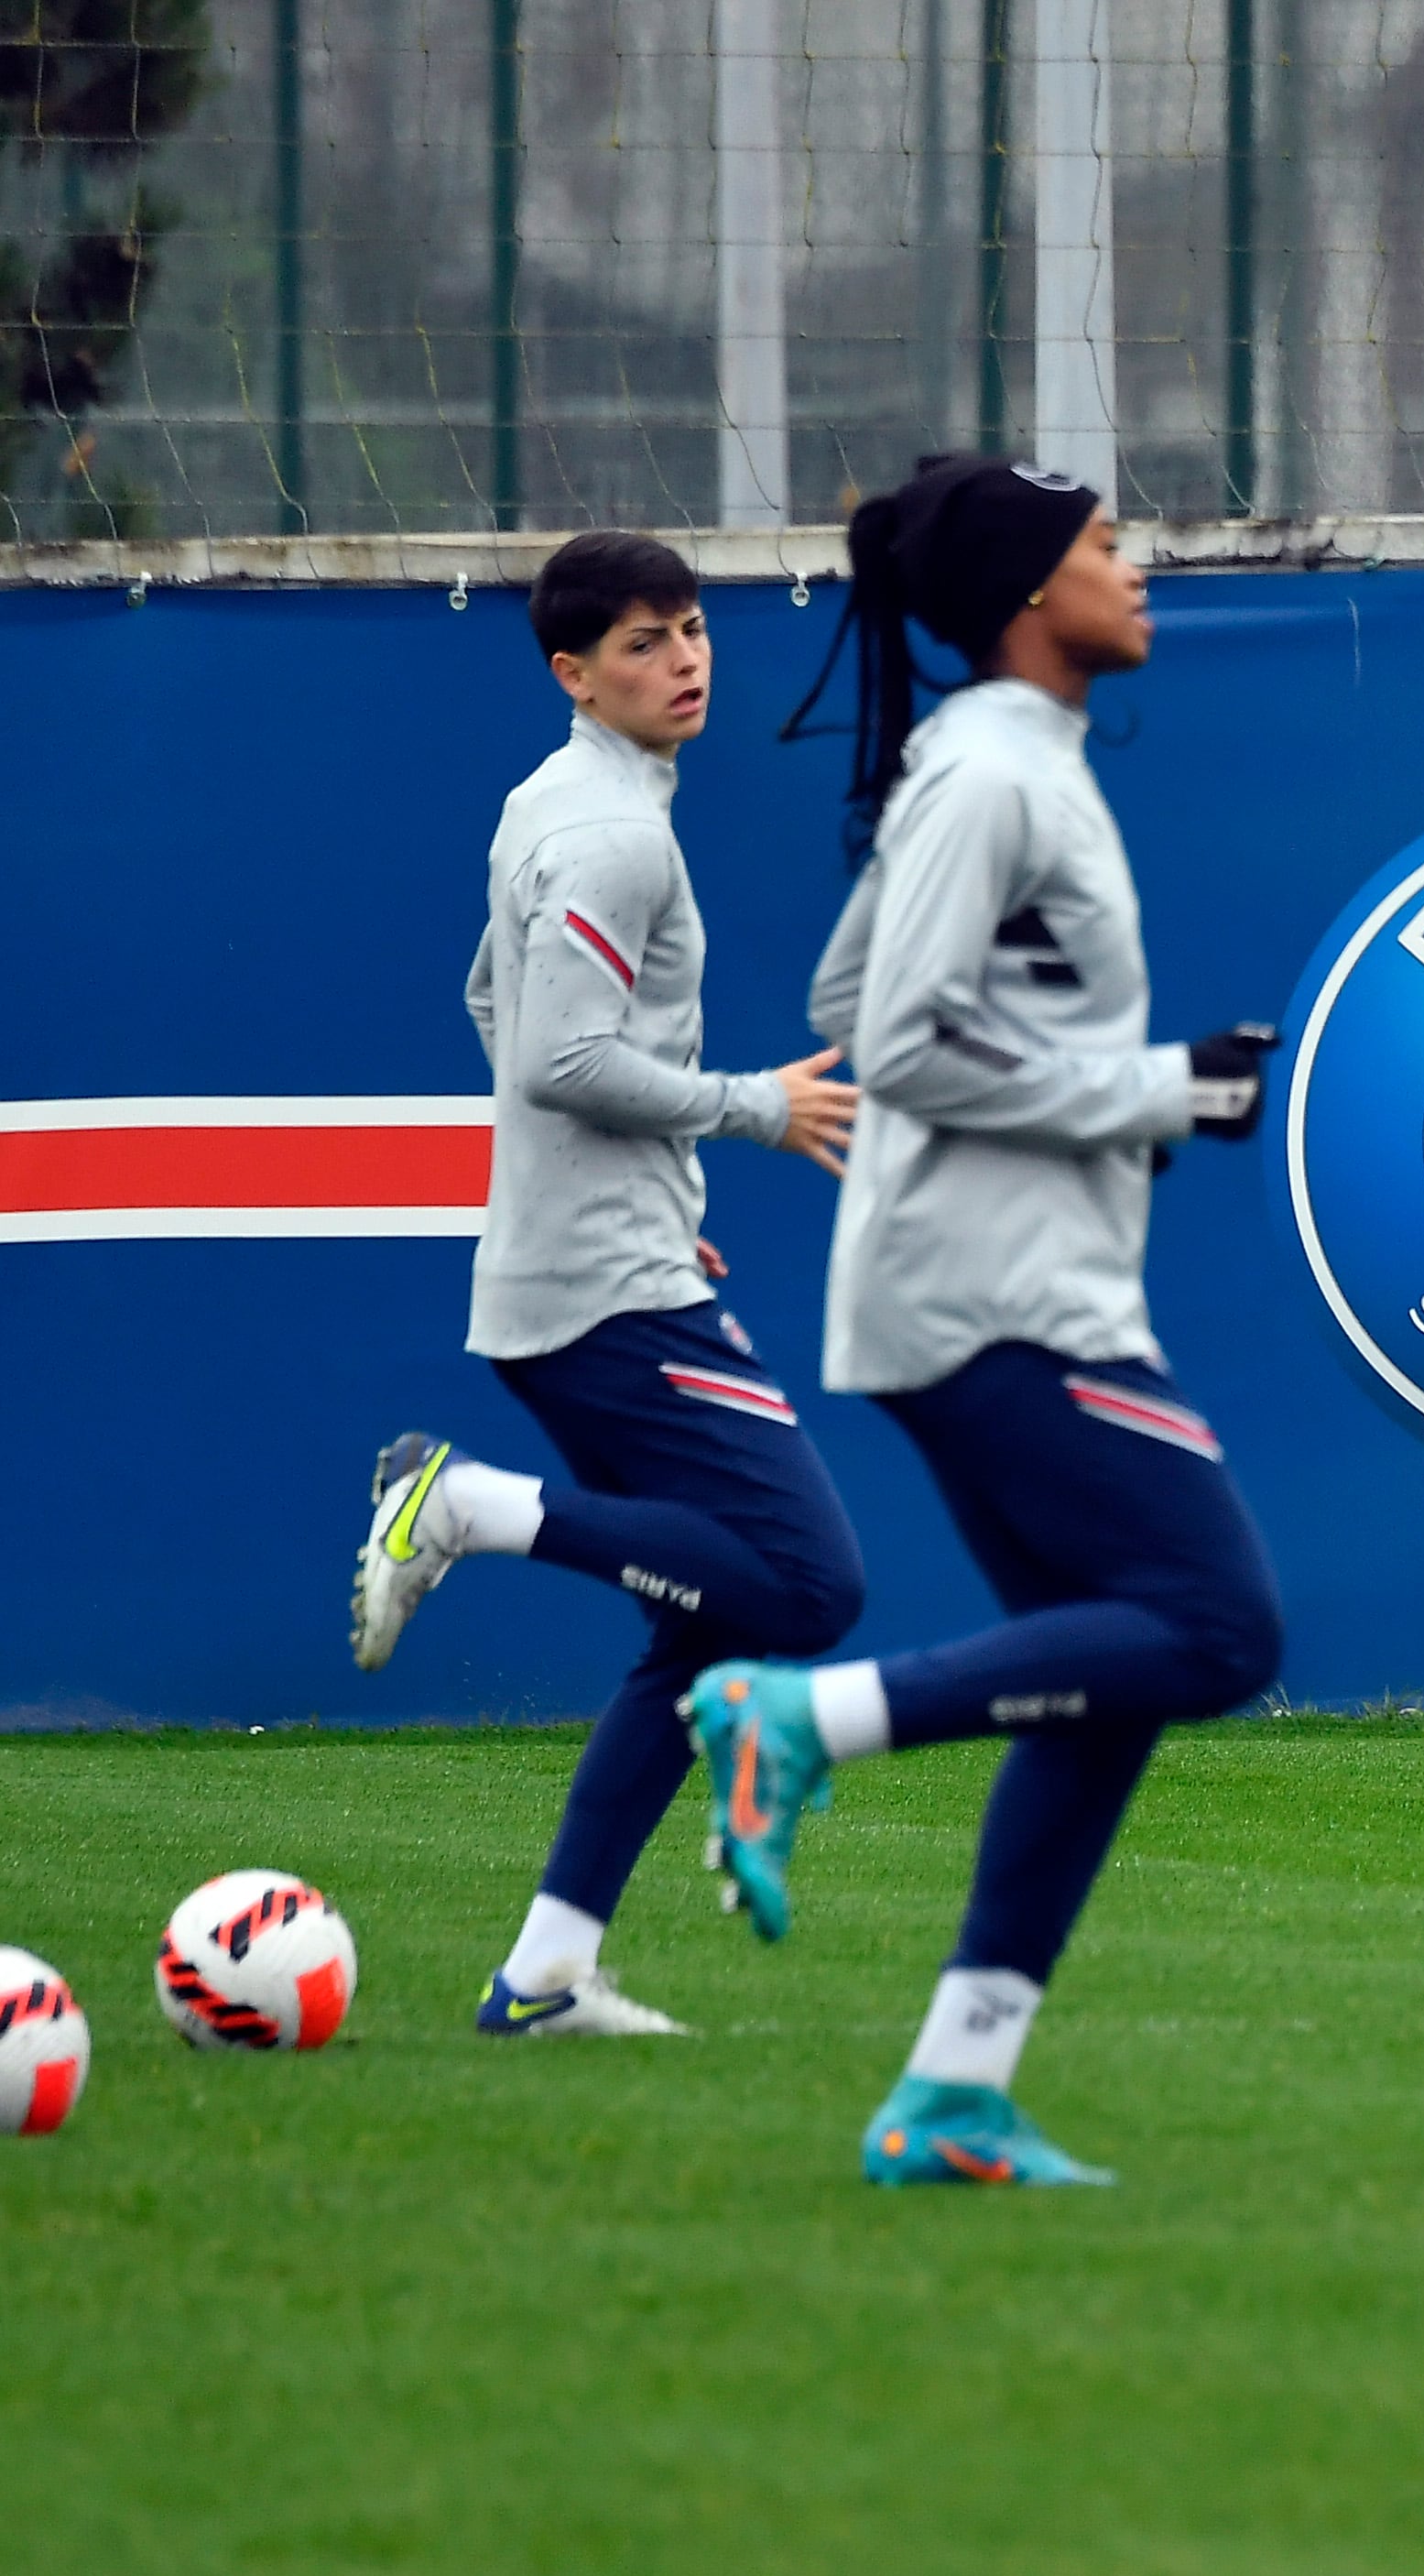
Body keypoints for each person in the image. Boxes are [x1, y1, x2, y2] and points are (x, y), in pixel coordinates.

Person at [685, 455, 1290, 2188]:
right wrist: (1158, 1087)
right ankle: (799, 1722)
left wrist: (1116, 1081)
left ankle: (953, 2090)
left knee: (1101, 1686)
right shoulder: (991, 775)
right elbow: (912, 1046)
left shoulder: (998, 763)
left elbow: (840, 997)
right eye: (1106, 546)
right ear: (1032, 597)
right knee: (1218, 1626)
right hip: (997, 1294)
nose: (1137, 565)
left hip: (996, 1282)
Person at [352, 529, 867, 2040]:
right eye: (645, 642)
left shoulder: (561, 802)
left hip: (592, 1261)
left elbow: (483, 998)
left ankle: (548, 1972)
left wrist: (634, 1182)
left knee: (706, 1622)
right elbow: (556, 1055)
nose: (687, 658)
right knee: (810, 1581)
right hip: (602, 1291)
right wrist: (757, 1106)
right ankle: (458, 1503)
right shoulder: (609, 833)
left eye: (694, 628)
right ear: (574, 672)